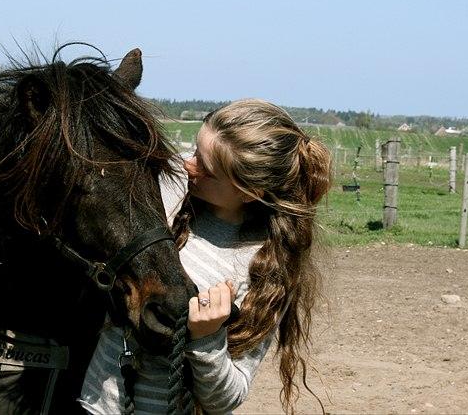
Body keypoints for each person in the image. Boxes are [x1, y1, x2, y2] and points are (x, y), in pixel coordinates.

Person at [79, 99, 332, 414]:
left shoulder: (264, 267)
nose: (188, 164)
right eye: (195, 149)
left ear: (248, 191)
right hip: (91, 405)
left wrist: (208, 340)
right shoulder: (168, 189)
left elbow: (228, 398)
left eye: (206, 168)